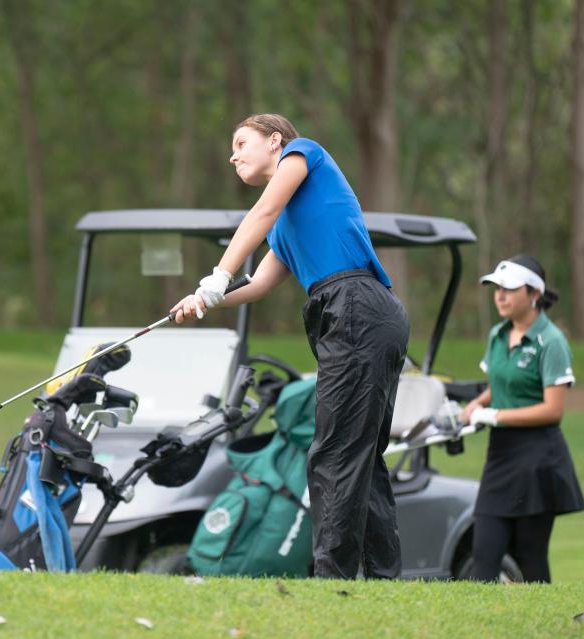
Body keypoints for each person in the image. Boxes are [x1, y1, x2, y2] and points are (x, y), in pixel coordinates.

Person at [171, 114, 409, 579]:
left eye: (242, 142)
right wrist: (204, 300)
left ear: (275, 141)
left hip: (356, 304)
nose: (232, 154)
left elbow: (259, 214)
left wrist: (217, 276)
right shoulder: (287, 227)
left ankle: (331, 579)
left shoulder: (305, 154)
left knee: (333, 452)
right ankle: (384, 579)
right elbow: (258, 285)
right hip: (356, 312)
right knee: (359, 452)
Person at [460, 254, 584, 583]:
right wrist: (476, 404)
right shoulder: (497, 335)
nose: (500, 295)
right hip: (500, 457)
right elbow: (500, 383)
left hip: (538, 460)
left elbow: (552, 410)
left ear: (533, 294)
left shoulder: (552, 342)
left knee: (531, 559)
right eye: (496, 289)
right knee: (484, 554)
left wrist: (495, 415)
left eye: (509, 289)